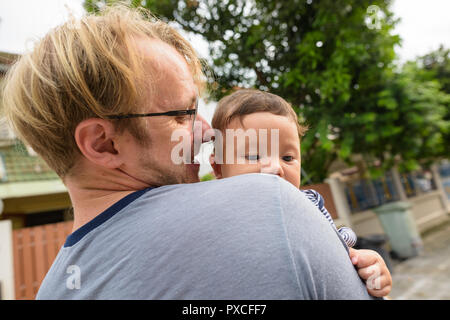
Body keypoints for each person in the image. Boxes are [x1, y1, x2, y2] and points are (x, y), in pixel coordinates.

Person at [3, 5, 374, 299]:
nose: (207, 131)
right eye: (181, 114)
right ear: (104, 143)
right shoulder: (266, 201)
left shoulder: (53, 291)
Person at [209, 89, 392, 297]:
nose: (275, 167)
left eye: (287, 158)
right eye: (254, 155)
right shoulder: (216, 220)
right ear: (218, 169)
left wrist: (366, 264)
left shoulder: (310, 207)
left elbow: (341, 249)